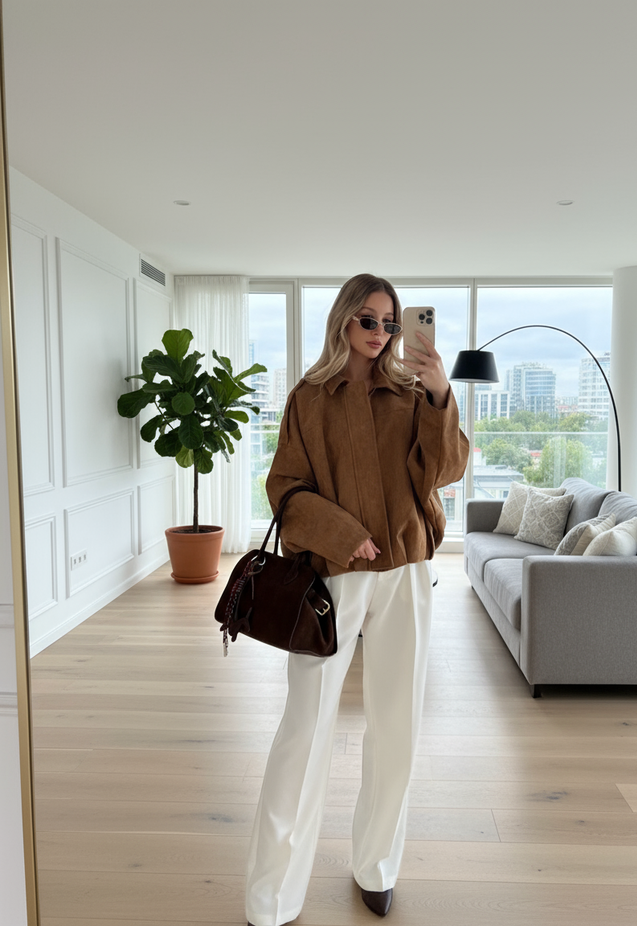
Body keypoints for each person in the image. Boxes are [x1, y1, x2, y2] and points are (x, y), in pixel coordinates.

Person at [245, 273, 469, 926]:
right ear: (343, 320)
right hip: (329, 579)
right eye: (368, 320)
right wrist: (344, 535)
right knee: (304, 732)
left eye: (391, 323)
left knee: (397, 726)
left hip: (407, 575)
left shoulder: (412, 393)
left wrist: (439, 394)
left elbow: (447, 472)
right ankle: (271, 897)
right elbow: (284, 485)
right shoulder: (308, 398)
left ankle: (377, 867)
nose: (380, 333)